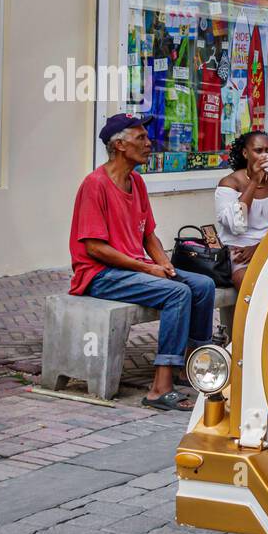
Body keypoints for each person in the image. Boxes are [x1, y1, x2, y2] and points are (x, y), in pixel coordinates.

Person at [70, 113, 215, 411]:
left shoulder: (136, 181)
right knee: (177, 293)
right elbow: (95, 248)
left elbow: (149, 235)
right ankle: (159, 388)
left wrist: (166, 266)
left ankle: (193, 366)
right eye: (141, 139)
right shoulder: (94, 185)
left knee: (203, 285)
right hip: (100, 274)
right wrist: (149, 268)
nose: (149, 144)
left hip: (132, 268)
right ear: (120, 145)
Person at [215, 131, 268, 287]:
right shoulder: (229, 183)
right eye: (258, 151)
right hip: (239, 252)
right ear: (245, 153)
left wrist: (260, 248)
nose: (264, 155)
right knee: (251, 283)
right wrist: (254, 182)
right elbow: (237, 225)